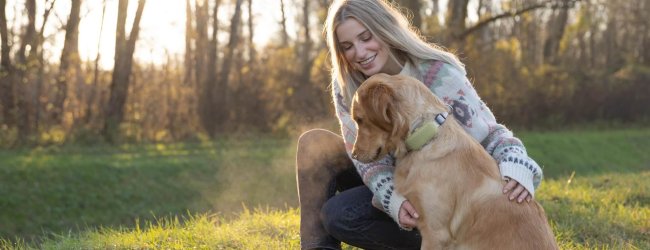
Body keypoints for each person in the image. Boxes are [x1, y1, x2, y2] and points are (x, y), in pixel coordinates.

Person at [295, 0, 543, 249]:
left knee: (341, 214)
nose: (359, 53)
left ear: (385, 29)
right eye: (347, 46)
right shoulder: (346, 83)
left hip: (436, 189)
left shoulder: (438, 72)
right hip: (389, 176)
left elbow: (489, 135)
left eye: (366, 37)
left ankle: (436, 237)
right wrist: (393, 199)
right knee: (314, 144)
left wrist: (516, 162)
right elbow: (362, 153)